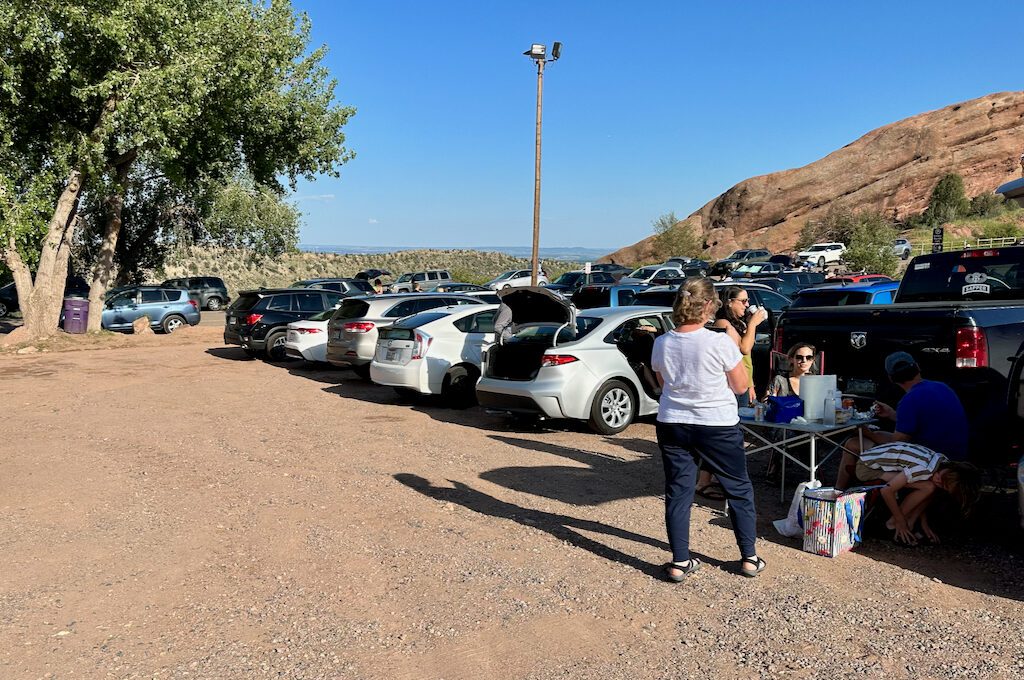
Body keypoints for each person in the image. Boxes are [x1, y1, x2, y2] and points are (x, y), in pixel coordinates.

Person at [651, 277, 766, 581]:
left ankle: (679, 561)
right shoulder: (718, 342)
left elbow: (664, 384)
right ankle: (749, 558)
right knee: (738, 488)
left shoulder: (661, 342)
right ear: (709, 306)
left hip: (673, 422)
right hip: (716, 424)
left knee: (678, 490)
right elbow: (741, 385)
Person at [836, 351, 969, 490]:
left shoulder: (909, 400)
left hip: (932, 460)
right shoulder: (942, 387)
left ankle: (837, 493)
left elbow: (898, 443)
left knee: (852, 443)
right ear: (917, 367)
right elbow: (926, 420)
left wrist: (865, 432)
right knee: (879, 435)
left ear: (891, 378)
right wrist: (893, 414)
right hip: (956, 455)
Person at [695, 286, 767, 500]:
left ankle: (718, 476)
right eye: (743, 301)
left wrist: (751, 384)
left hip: (742, 383)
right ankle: (703, 481)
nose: (746, 305)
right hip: (728, 386)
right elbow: (744, 348)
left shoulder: (738, 324)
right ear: (729, 302)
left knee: (734, 432)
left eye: (747, 302)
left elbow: (747, 360)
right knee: (722, 433)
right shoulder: (722, 324)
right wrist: (754, 323)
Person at [844, 441, 979, 544]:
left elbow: (925, 496)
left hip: (878, 461)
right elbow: (887, 491)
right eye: (941, 478)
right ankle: (892, 525)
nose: (938, 481)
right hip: (867, 467)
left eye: (944, 486)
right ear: (950, 468)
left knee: (930, 487)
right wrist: (900, 520)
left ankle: (910, 523)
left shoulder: (942, 463)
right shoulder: (924, 469)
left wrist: (923, 522)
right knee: (928, 487)